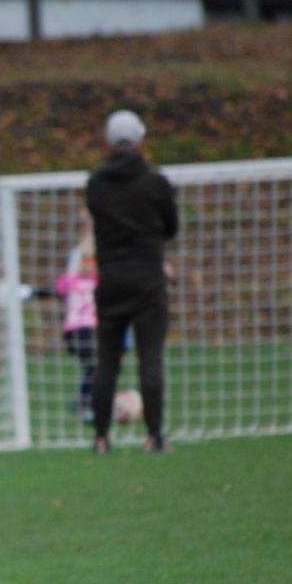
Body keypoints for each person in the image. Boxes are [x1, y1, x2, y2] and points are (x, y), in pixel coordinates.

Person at [84, 109, 179, 453]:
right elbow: (171, 227)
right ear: (140, 140)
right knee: (150, 358)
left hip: (111, 280)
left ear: (109, 142)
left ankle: (100, 438)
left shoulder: (96, 182)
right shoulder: (155, 181)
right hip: (148, 280)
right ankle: (154, 436)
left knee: (107, 361)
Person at [53, 228, 100, 421]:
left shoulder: (98, 281)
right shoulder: (70, 281)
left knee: (96, 366)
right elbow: (52, 290)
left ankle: (87, 401)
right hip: (75, 331)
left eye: (92, 261)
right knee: (94, 365)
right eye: (84, 261)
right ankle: (85, 402)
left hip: (94, 330)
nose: (88, 265)